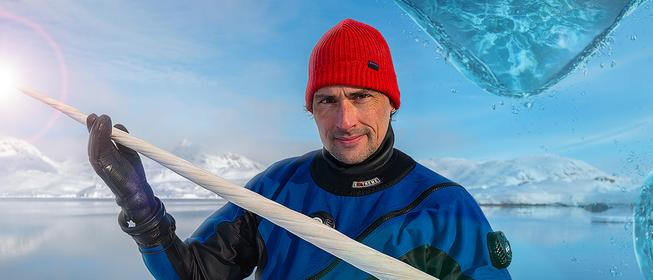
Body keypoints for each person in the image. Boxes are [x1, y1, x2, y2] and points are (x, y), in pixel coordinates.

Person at [86, 18, 512, 279]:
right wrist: (140, 208)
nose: (344, 120)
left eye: (361, 96)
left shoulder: (444, 208)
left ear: (391, 103)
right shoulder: (278, 188)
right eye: (327, 100)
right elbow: (195, 275)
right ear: (311, 109)